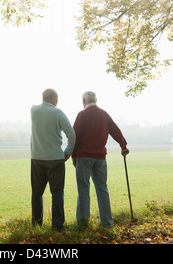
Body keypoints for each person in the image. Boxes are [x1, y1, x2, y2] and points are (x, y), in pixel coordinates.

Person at [72, 91, 129, 228]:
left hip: (84, 157)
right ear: (96, 100)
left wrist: (73, 156)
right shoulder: (104, 114)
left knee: (84, 190)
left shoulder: (82, 115)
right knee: (102, 189)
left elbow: (74, 137)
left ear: (83, 100)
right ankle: (107, 222)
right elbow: (116, 131)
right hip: (100, 158)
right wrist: (123, 146)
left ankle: (83, 223)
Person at [30, 88, 76, 231]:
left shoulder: (33, 110)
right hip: (56, 159)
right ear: (51, 98)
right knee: (57, 193)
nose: (58, 101)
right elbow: (72, 135)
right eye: (57, 98)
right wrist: (67, 152)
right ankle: (57, 226)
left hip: (37, 158)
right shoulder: (58, 113)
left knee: (37, 193)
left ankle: (37, 224)